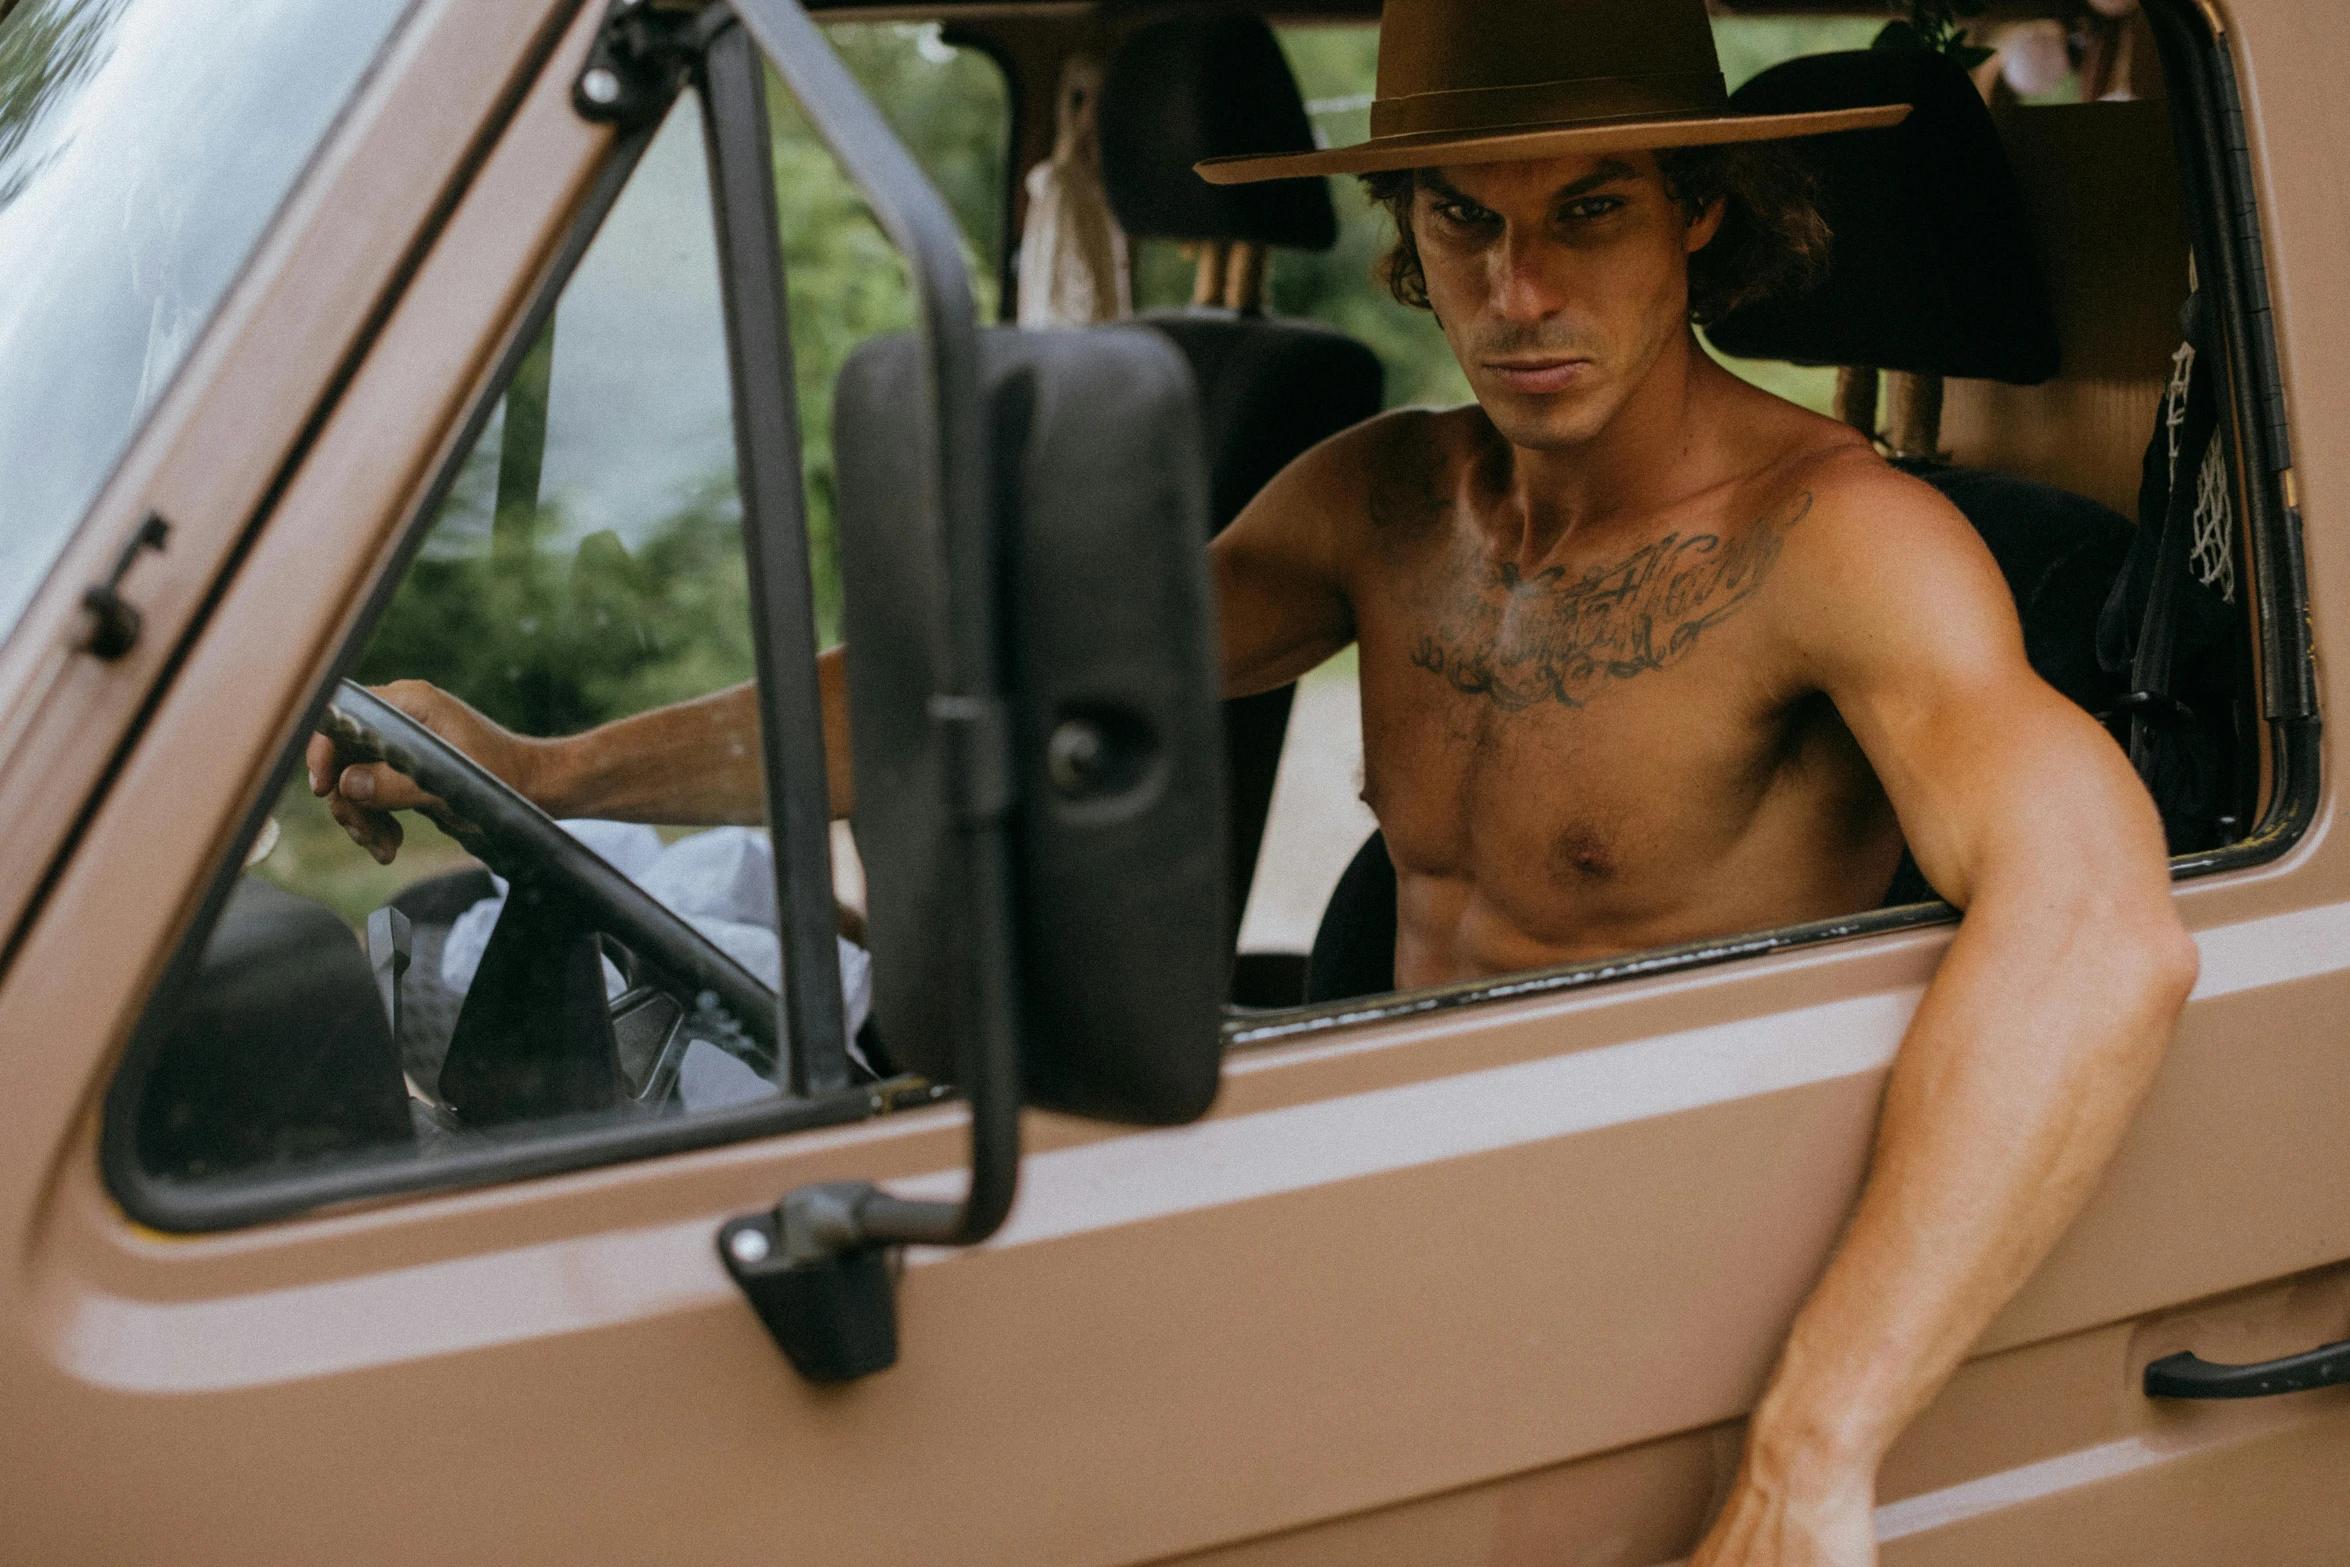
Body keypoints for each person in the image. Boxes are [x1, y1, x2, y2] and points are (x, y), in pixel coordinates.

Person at [309, 0, 2198, 1559]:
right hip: (1376, 1226)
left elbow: (2101, 932)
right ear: (1402, 228)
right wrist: (546, 765)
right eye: (1464, 218)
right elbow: (973, 692)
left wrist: (1814, 1446)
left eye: (1591, 212)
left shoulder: (1845, 544)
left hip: (1652, 1301)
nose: (1520, 286)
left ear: (1696, 214)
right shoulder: (1385, 498)